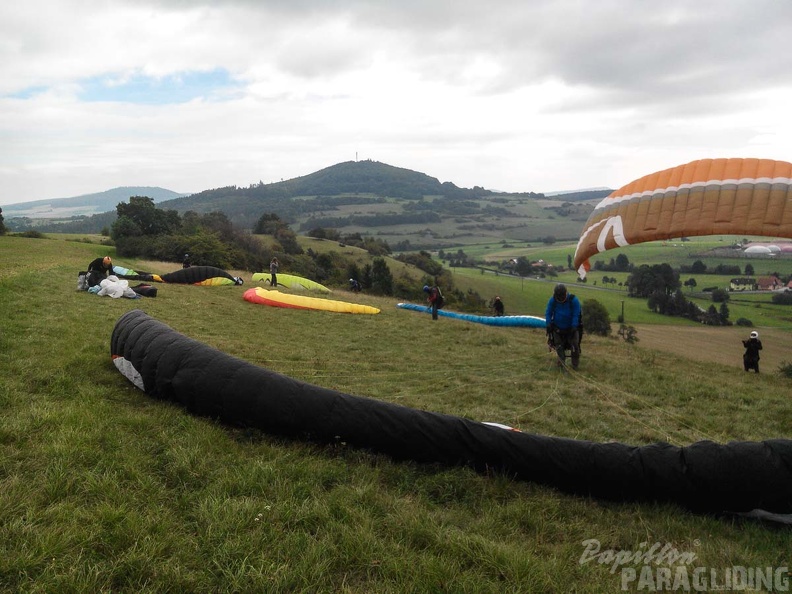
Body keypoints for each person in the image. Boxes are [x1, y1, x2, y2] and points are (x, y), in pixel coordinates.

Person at [545, 283, 582, 369]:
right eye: (559, 297)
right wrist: (548, 324)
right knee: (558, 346)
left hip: (571, 328)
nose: (560, 299)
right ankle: (561, 363)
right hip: (557, 328)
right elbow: (548, 312)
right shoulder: (553, 301)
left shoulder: (573, 300)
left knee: (574, 345)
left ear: (565, 294)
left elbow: (576, 314)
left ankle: (575, 365)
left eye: (562, 296)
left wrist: (574, 325)